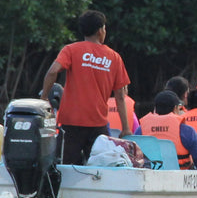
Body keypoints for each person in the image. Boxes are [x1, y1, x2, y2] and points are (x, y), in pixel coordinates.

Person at [39, 10, 131, 166]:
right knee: (102, 168)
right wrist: (126, 128)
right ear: (100, 30)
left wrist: (44, 98)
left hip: (70, 123)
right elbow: (120, 96)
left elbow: (52, 71)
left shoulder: (71, 50)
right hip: (97, 124)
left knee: (65, 168)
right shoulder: (114, 57)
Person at [138, 91, 197, 175]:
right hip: (179, 178)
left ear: (155, 109)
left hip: (150, 175)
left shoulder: (141, 129)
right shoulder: (186, 131)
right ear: (175, 109)